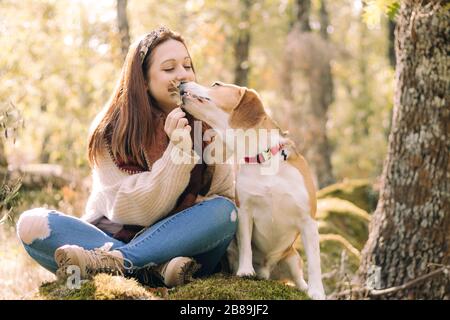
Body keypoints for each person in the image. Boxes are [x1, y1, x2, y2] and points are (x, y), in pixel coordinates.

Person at [16, 26, 237, 288]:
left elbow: (224, 196)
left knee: (224, 212)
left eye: (188, 66)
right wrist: (177, 154)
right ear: (142, 80)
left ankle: (113, 263)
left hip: (183, 242)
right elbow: (133, 210)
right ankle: (152, 269)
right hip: (111, 234)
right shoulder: (111, 130)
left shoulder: (208, 124)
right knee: (32, 224)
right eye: (169, 69)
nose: (183, 75)